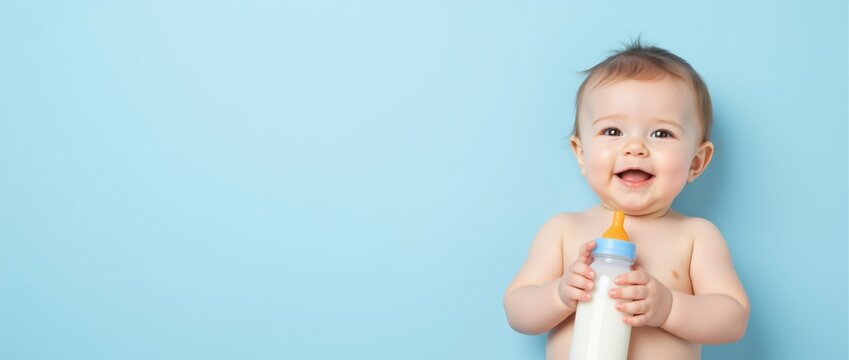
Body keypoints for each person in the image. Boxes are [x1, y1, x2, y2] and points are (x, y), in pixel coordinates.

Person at [502, 39, 750, 359]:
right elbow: (517, 310)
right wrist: (559, 294)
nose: (635, 148)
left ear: (696, 162)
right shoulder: (562, 231)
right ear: (581, 153)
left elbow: (733, 319)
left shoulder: (695, 236)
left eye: (661, 133)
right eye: (613, 131)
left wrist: (670, 306)